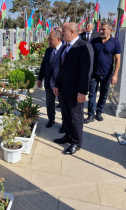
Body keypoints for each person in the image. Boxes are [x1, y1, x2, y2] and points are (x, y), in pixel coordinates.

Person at [53, 22, 93, 155]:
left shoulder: (83, 47)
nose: (62, 33)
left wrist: (83, 91)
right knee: (66, 115)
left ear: (71, 32)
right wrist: (57, 85)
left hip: (76, 91)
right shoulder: (66, 46)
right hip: (64, 89)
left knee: (76, 117)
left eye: (64, 31)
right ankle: (68, 136)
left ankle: (76, 143)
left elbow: (86, 71)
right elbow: (62, 69)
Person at [84, 22, 121, 123]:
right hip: (93, 74)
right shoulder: (94, 41)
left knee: (104, 95)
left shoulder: (115, 43)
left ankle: (99, 112)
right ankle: (90, 114)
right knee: (92, 94)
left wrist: (115, 75)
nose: (100, 31)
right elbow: (88, 55)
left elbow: (118, 59)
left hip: (107, 74)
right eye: (100, 29)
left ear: (110, 30)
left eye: (103, 29)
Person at [37, 30, 65, 129]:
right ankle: (51, 119)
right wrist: (40, 78)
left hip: (61, 83)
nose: (48, 41)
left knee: (63, 104)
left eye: (50, 39)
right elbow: (44, 65)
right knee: (49, 102)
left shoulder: (65, 49)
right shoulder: (49, 50)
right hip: (49, 81)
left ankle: (64, 124)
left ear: (58, 39)